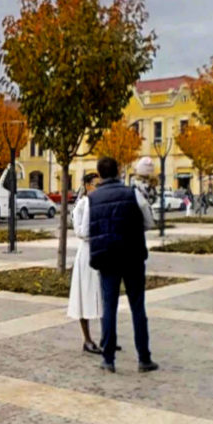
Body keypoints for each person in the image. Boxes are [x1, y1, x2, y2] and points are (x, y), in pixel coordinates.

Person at [85, 156, 156, 373]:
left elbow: (87, 231)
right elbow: (149, 222)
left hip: (107, 257)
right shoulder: (133, 193)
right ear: (117, 171)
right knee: (137, 307)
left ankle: (108, 359)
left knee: (109, 308)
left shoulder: (92, 199)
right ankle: (144, 358)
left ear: (99, 174)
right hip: (132, 256)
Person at [66, 172, 107, 355]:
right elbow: (82, 232)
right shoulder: (83, 205)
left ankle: (107, 336)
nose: (99, 189)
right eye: (97, 185)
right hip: (88, 253)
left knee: (104, 295)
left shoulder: (99, 203)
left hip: (101, 250)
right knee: (85, 294)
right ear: (88, 186)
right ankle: (87, 339)